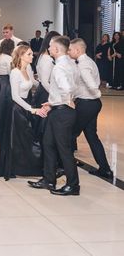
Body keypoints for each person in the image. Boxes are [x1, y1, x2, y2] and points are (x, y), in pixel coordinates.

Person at [28, 36, 79, 196]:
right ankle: (49, 179)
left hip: (62, 112)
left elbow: (67, 89)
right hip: (58, 109)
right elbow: (74, 87)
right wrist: (52, 104)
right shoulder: (70, 64)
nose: (48, 48)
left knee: (63, 149)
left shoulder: (59, 67)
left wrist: (58, 101)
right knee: (48, 143)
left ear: (56, 49)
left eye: (50, 46)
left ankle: (73, 185)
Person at [0, 45, 45, 180]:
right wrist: (32, 110)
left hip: (25, 106)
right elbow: (15, 97)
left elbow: (32, 84)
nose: (32, 56)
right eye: (29, 54)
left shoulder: (27, 69)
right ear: (21, 56)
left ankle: (29, 167)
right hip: (16, 109)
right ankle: (15, 168)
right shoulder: (15, 72)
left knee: (26, 139)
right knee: (18, 140)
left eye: (31, 54)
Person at [69, 38, 113, 180]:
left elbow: (92, 85)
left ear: (77, 50)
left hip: (86, 104)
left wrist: (96, 93)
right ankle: (105, 169)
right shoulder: (89, 61)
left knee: (69, 134)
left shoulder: (83, 65)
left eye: (70, 49)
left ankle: (64, 166)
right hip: (92, 104)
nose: (68, 52)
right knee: (92, 136)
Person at [32, 31, 61, 143]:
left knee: (41, 121)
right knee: (43, 122)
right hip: (45, 92)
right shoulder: (47, 59)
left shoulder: (42, 56)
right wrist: (55, 95)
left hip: (43, 90)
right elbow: (45, 81)